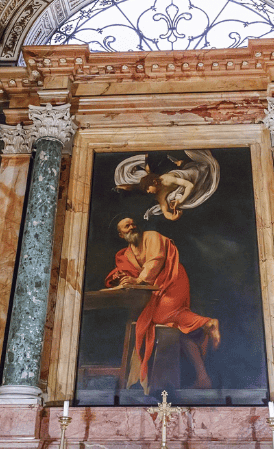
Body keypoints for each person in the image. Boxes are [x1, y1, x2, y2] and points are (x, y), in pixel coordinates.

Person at [106, 217, 221, 393]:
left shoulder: (151, 237)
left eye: (132, 224)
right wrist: (121, 278)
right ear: (121, 234)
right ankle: (203, 378)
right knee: (179, 328)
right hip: (158, 288)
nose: (132, 227)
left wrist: (138, 279)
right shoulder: (127, 254)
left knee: (160, 317)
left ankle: (208, 323)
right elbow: (126, 271)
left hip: (174, 279)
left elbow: (155, 261)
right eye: (126, 226)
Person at [114, 150, 220, 221]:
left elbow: (190, 185)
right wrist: (172, 217)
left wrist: (181, 201)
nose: (148, 192)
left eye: (147, 188)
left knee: (205, 170)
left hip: (191, 175)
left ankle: (183, 163)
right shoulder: (160, 196)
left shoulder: (167, 179)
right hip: (184, 181)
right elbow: (165, 212)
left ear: (155, 182)